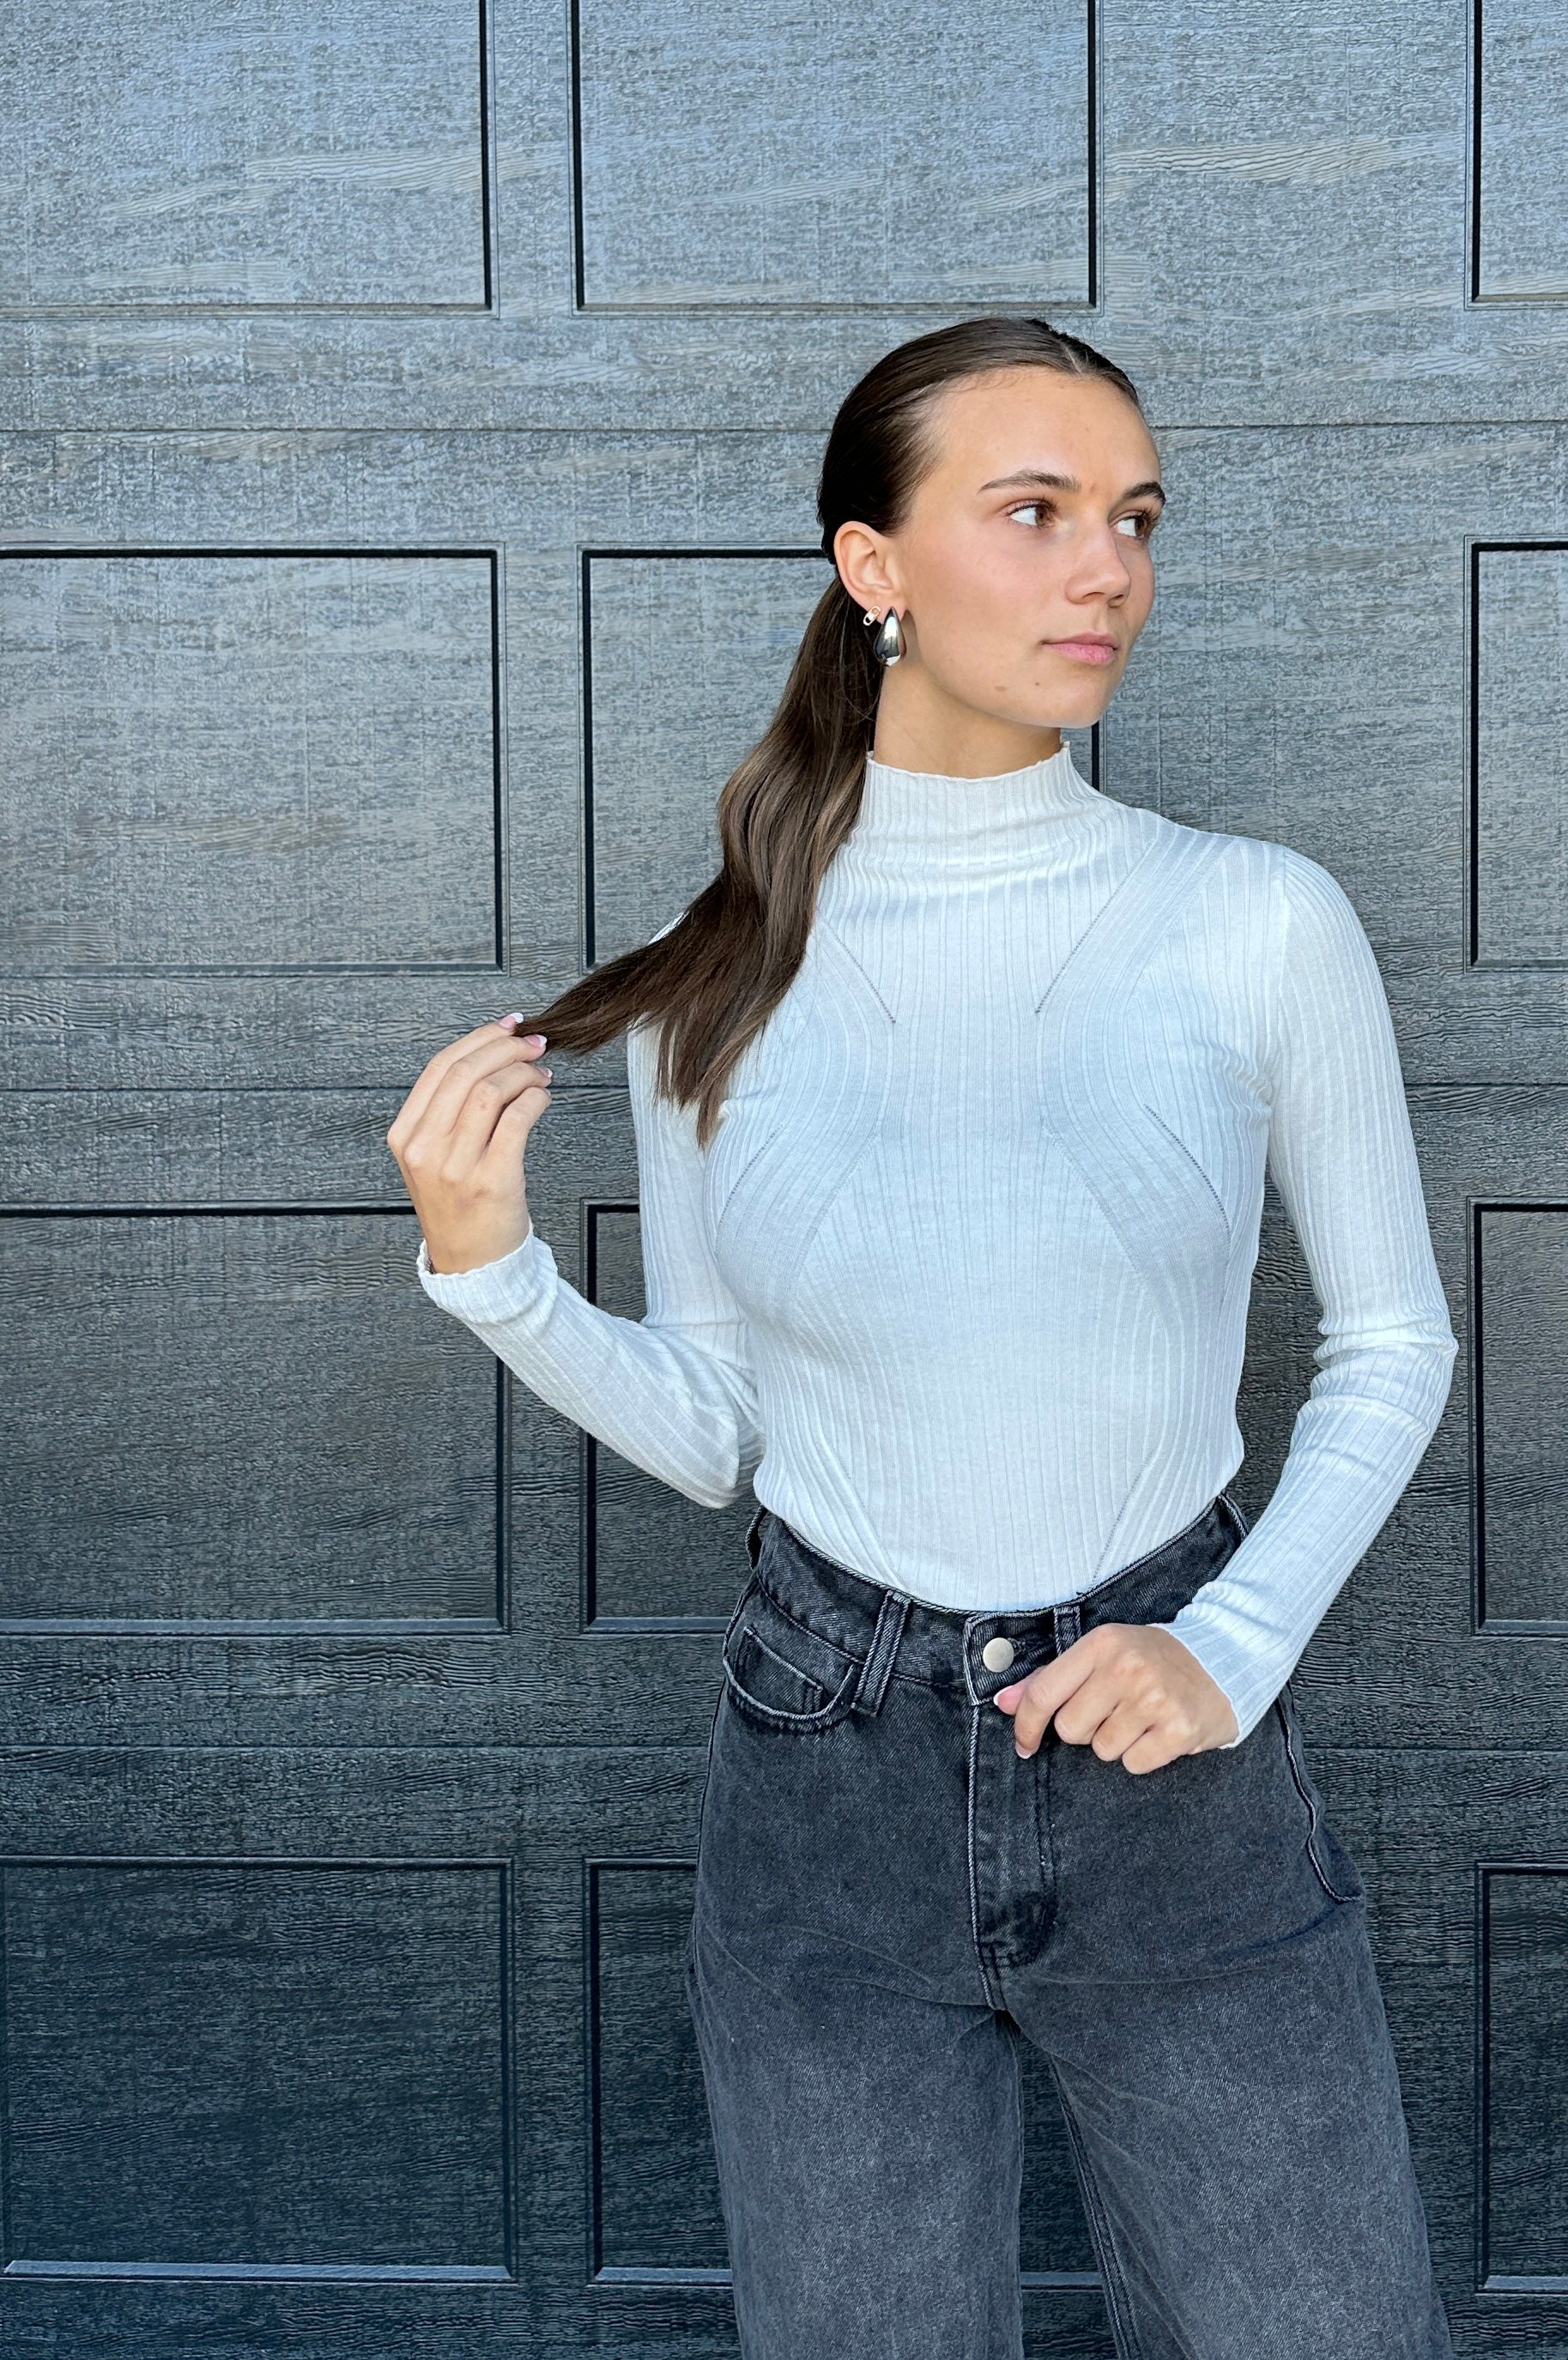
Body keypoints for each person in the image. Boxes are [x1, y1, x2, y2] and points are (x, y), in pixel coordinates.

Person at [387, 317, 1460, 2359]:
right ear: (872, 564)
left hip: (1175, 1765)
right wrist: (493, 1272)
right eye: (1034, 511)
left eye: (1134, 518)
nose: (1107, 568)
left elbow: (1392, 1339)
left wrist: (1226, 1646)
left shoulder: (1255, 918)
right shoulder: (718, 970)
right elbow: (724, 1429)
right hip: (825, 1768)